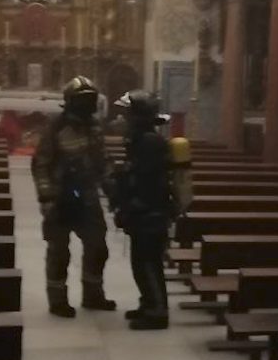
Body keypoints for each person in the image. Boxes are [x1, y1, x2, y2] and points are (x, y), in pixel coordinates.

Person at [32, 76, 116, 318]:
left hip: (87, 196)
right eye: (83, 100)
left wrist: (111, 185)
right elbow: (41, 164)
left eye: (90, 100)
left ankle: (93, 294)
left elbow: (102, 159)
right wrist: (46, 197)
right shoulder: (56, 127)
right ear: (70, 102)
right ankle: (57, 299)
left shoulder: (95, 125)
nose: (88, 105)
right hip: (60, 197)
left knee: (98, 247)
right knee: (59, 251)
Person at [111, 90, 175, 330]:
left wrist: (131, 205)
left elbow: (146, 180)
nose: (125, 118)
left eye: (129, 113)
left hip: (150, 211)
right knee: (141, 261)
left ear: (139, 115)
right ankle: (148, 303)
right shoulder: (143, 139)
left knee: (148, 263)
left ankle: (157, 312)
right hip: (146, 210)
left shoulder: (149, 141)